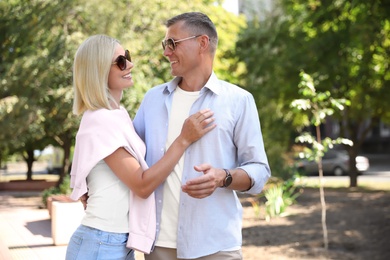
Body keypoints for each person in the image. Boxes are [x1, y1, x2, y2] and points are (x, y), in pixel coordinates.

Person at [133, 12, 271, 260]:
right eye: (165, 45)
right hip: (157, 246)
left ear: (202, 43)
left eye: (172, 43)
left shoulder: (238, 101)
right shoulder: (152, 100)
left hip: (215, 246)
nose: (166, 52)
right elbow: (129, 158)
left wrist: (223, 177)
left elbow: (260, 171)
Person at [65, 34, 215, 260]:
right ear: (98, 70)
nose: (130, 65)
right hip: (101, 243)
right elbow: (142, 185)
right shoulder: (101, 120)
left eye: (127, 57)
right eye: (120, 62)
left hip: (115, 242)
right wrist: (184, 139)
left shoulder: (118, 116)